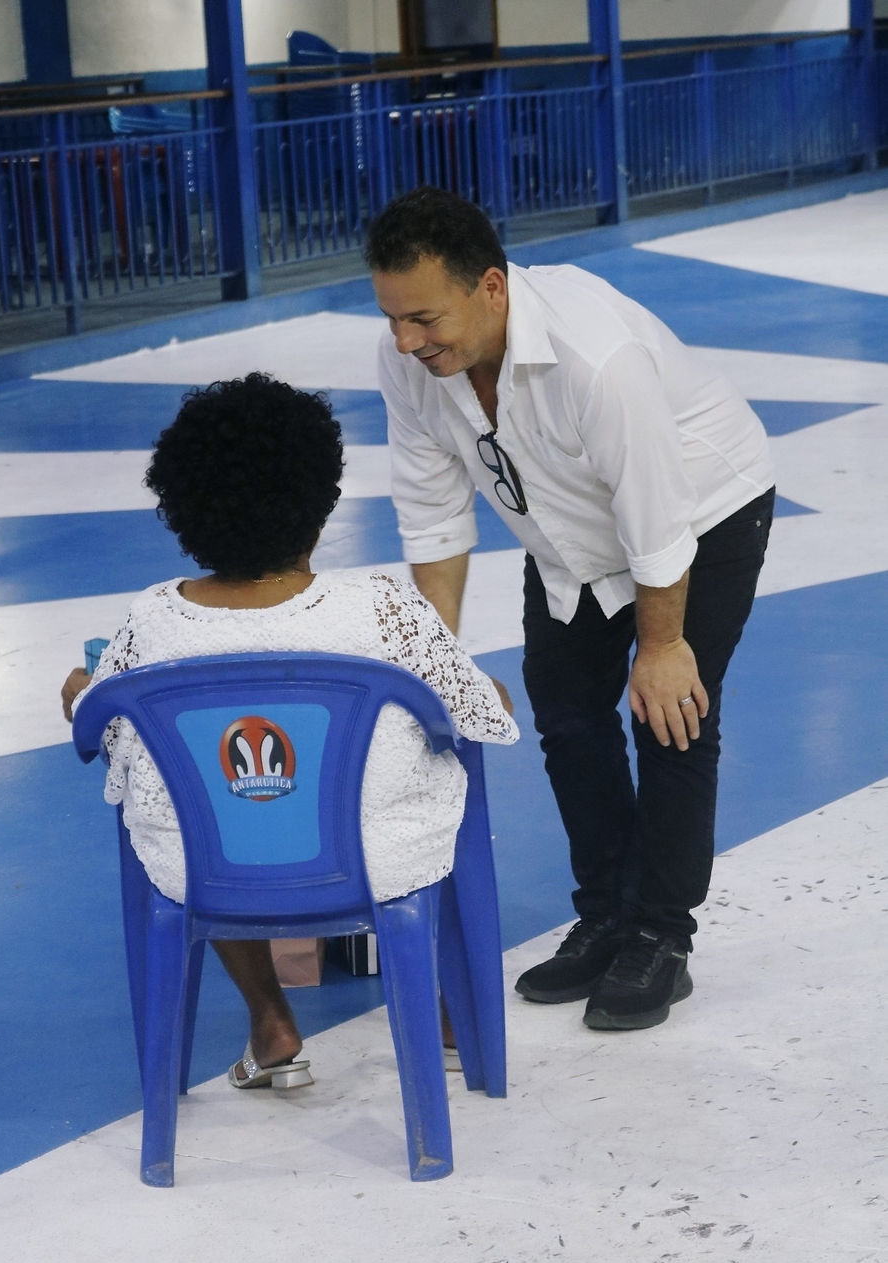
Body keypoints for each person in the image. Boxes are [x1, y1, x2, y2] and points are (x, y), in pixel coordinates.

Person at [364, 186, 775, 1032]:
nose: (407, 342)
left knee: (671, 716)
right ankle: (608, 915)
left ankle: (662, 935)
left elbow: (654, 511)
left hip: (702, 509)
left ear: (492, 287)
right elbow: (434, 509)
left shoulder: (597, 355)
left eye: (425, 320)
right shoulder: (409, 360)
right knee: (565, 713)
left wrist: (661, 648)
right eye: (395, 320)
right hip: (568, 533)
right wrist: (438, 660)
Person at [61, 373, 518, 1089]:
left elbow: (101, 732)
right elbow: (486, 713)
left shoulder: (150, 622)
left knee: (198, 814)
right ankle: (448, 1009)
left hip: (212, 878)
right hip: (374, 864)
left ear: (182, 508)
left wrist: (84, 693)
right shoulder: (384, 611)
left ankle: (269, 1016)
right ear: (322, 503)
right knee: (439, 785)